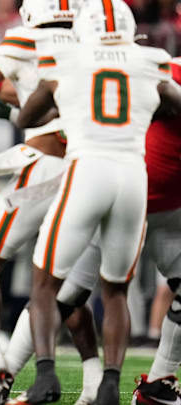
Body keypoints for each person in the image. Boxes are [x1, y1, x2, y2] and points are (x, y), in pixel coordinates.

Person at [16, 1, 181, 403]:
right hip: (134, 184)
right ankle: (109, 382)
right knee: (113, 292)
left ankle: (42, 375)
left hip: (92, 177)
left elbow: (26, 118)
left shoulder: (67, 57)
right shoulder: (156, 62)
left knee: (48, 285)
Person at [0, 1, 103, 404]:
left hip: (44, 167)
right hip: (90, 171)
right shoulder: (92, 41)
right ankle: (93, 386)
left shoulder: (27, 36)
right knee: (59, 288)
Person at [132, 56, 181, 404]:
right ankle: (1, 371)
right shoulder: (163, 68)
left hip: (168, 212)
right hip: (115, 197)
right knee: (63, 292)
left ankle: (158, 384)